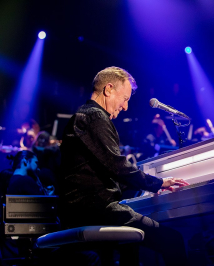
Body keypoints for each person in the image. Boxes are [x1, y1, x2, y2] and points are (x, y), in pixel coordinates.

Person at [59, 66, 190, 265]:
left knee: (131, 244)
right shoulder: (95, 116)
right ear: (108, 89)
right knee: (173, 240)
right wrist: (158, 183)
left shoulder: (84, 116)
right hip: (95, 209)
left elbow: (102, 170)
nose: (125, 106)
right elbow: (117, 166)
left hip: (80, 208)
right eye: (125, 98)